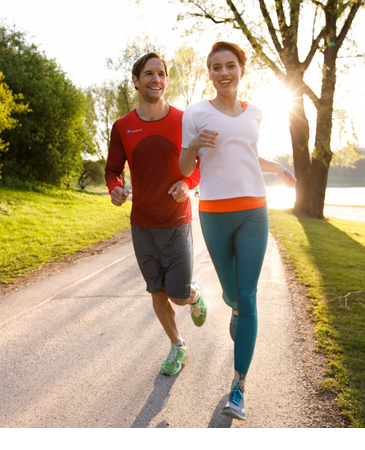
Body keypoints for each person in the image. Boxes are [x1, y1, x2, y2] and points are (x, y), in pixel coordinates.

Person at [179, 41, 296, 420]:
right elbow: (184, 167)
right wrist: (194, 144)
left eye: (230, 65)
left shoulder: (256, 113)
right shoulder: (195, 113)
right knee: (232, 292)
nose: (223, 72)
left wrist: (275, 166)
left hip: (253, 212)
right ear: (209, 73)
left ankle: (238, 387)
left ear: (242, 70)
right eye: (216, 67)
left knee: (248, 294)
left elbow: (244, 153)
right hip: (213, 212)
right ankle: (233, 309)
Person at [105, 52, 207, 377]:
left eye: (161, 74)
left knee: (177, 295)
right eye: (149, 74)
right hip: (142, 224)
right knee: (156, 290)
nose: (156, 79)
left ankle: (194, 295)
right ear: (136, 81)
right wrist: (115, 189)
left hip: (177, 221)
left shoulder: (183, 120)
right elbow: (112, 170)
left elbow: (198, 166)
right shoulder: (122, 126)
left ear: (166, 80)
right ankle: (178, 345)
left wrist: (187, 184)